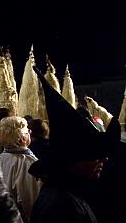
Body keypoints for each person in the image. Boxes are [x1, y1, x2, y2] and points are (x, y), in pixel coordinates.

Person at [28, 67, 121, 223]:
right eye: (95, 154)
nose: (104, 159)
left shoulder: (70, 194)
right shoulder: (61, 206)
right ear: (75, 158)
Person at [0, 116, 41, 223]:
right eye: (28, 131)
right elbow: (30, 199)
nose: (29, 133)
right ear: (22, 139)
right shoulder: (27, 162)